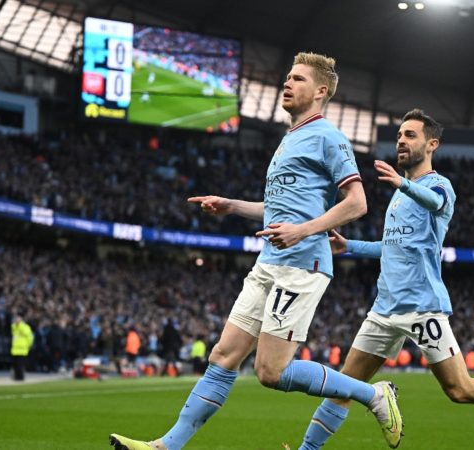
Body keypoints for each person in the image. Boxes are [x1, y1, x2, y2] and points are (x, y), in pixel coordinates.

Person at [110, 52, 402, 450]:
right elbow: (279, 211)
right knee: (223, 355)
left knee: (270, 371)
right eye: (287, 77)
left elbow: (357, 203)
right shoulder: (289, 139)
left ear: (320, 91)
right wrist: (232, 206)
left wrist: (303, 231)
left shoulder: (328, 136)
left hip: (303, 264)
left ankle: (372, 395)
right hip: (269, 261)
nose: (287, 83)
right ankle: (166, 446)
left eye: (297, 79)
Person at [291, 109, 474, 450]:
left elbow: (437, 203)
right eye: (399, 136)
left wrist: (403, 183)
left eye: (410, 135)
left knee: (460, 389)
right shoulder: (400, 194)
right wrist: (350, 246)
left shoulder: (438, 185)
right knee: (344, 386)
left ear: (432, 144)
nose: (401, 141)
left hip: (422, 305)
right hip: (384, 308)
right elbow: (392, 247)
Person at [11, 315, 34, 381]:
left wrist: (29, 345)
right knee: (15, 365)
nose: (16, 321)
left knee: (20, 365)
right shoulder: (14, 327)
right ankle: (16, 376)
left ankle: (20, 377)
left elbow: (30, 337)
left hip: (22, 349)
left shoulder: (25, 327)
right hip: (15, 349)